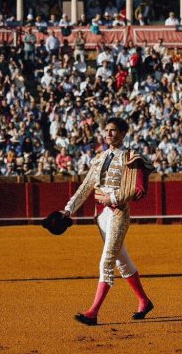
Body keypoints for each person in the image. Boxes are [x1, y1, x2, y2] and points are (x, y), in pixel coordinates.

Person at [63, 117, 156, 325]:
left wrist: (111, 198)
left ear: (123, 134)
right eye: (106, 130)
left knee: (107, 261)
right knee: (122, 260)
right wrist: (68, 210)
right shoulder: (100, 158)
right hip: (102, 216)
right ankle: (144, 301)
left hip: (118, 213)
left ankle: (93, 312)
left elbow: (137, 189)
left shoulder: (130, 157)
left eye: (113, 131)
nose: (108, 134)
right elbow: (86, 186)